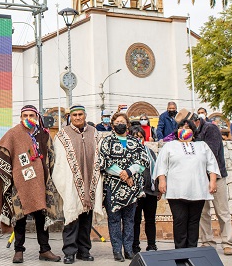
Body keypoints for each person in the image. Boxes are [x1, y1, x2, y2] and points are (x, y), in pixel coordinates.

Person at [0, 105, 61, 264]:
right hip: (20, 185)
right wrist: (10, 177)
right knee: (19, 219)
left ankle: (45, 250)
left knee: (42, 219)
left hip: (41, 185)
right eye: (25, 115)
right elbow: (2, 156)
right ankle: (18, 251)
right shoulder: (13, 134)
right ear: (20, 117)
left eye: (31, 115)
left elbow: (52, 157)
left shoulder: (44, 135)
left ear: (37, 116)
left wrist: (49, 177)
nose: (28, 118)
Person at [153, 119, 219, 249]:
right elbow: (161, 165)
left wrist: (212, 181)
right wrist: (162, 181)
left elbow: (211, 164)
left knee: (194, 222)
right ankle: (180, 251)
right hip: (176, 191)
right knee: (179, 220)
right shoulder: (169, 146)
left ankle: (191, 251)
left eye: (188, 127)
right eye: (181, 127)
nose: (184, 129)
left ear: (193, 131)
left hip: (198, 190)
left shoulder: (202, 146)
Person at [52, 105, 104, 264]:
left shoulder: (95, 134)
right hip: (71, 183)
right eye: (74, 115)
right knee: (71, 219)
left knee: (86, 221)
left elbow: (100, 157)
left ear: (85, 115)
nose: (77, 117)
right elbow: (59, 161)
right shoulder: (62, 135)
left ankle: (84, 251)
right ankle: (69, 252)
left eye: (80, 114)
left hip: (90, 184)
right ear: (70, 117)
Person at [99, 113, 148, 261]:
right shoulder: (106, 141)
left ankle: (128, 249)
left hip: (131, 188)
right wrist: (122, 174)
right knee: (114, 220)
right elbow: (104, 163)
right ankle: (116, 251)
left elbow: (142, 161)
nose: (120, 124)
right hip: (113, 187)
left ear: (127, 125)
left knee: (129, 220)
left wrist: (129, 172)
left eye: (123, 121)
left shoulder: (135, 141)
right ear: (113, 124)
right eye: (117, 121)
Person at [191, 114, 232, 256]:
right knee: (203, 212)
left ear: (195, 121)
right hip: (200, 177)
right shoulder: (191, 133)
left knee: (222, 211)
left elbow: (211, 153)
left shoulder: (211, 129)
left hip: (217, 175)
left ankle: (227, 243)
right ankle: (207, 242)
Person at [129, 126, 159, 255]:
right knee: (135, 220)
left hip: (150, 192)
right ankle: (135, 245)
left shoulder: (150, 152)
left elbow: (156, 170)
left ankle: (151, 244)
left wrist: (157, 189)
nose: (138, 139)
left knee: (150, 219)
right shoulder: (127, 152)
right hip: (135, 192)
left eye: (140, 137)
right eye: (135, 137)